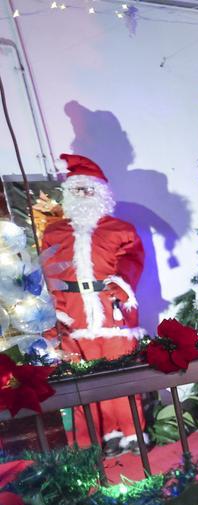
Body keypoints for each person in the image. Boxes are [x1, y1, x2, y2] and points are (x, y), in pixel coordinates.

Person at [43, 154, 146, 456]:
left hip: (112, 311)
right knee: (83, 384)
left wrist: (122, 283)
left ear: (101, 193)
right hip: (74, 317)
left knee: (121, 376)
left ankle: (130, 434)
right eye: (77, 191)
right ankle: (93, 443)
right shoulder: (54, 233)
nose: (83, 196)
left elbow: (133, 259)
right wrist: (57, 311)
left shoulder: (120, 229)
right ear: (68, 194)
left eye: (89, 190)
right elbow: (50, 271)